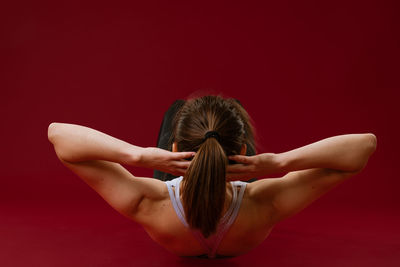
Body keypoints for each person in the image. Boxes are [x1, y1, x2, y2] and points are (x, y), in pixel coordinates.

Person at [47, 94, 377, 259]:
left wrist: (140, 154)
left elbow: (59, 136)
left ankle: (195, 134)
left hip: (173, 218)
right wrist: (276, 163)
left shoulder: (148, 201)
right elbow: (363, 147)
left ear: (173, 148)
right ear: (246, 152)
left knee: (178, 108)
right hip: (243, 216)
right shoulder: (266, 203)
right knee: (227, 108)